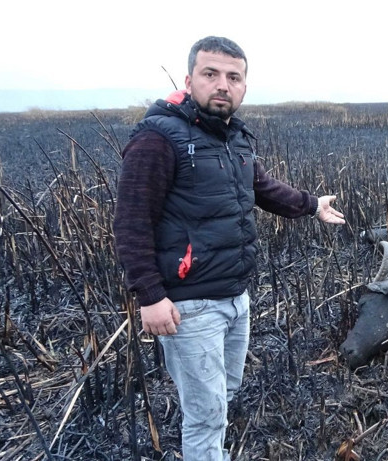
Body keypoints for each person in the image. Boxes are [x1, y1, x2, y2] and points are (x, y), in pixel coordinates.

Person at [113, 36, 345, 461]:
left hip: (236, 297)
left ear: (243, 87)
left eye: (233, 77)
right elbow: (131, 222)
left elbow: (261, 187)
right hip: (189, 306)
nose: (223, 84)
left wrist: (312, 205)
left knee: (225, 393)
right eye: (211, 74)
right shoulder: (157, 139)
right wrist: (150, 296)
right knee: (206, 416)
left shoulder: (234, 138)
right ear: (189, 81)